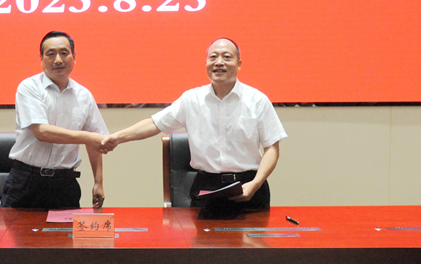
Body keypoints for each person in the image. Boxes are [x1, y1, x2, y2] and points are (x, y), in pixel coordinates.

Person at [103, 37, 286, 210]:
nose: (219, 62)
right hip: (207, 188)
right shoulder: (191, 99)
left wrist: (256, 183)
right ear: (206, 63)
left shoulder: (257, 100)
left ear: (239, 64)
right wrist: (117, 137)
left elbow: (272, 148)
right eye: (213, 57)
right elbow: (154, 124)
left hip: (250, 186)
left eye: (227, 57)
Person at [2, 31, 109, 209]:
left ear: (74, 57)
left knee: (66, 229)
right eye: (51, 54)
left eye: (64, 53)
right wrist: (87, 137)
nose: (58, 60)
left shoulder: (84, 96)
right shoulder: (29, 87)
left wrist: (98, 182)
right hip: (26, 181)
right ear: (41, 59)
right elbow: (42, 132)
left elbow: (94, 143)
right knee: (19, 229)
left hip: (65, 184)